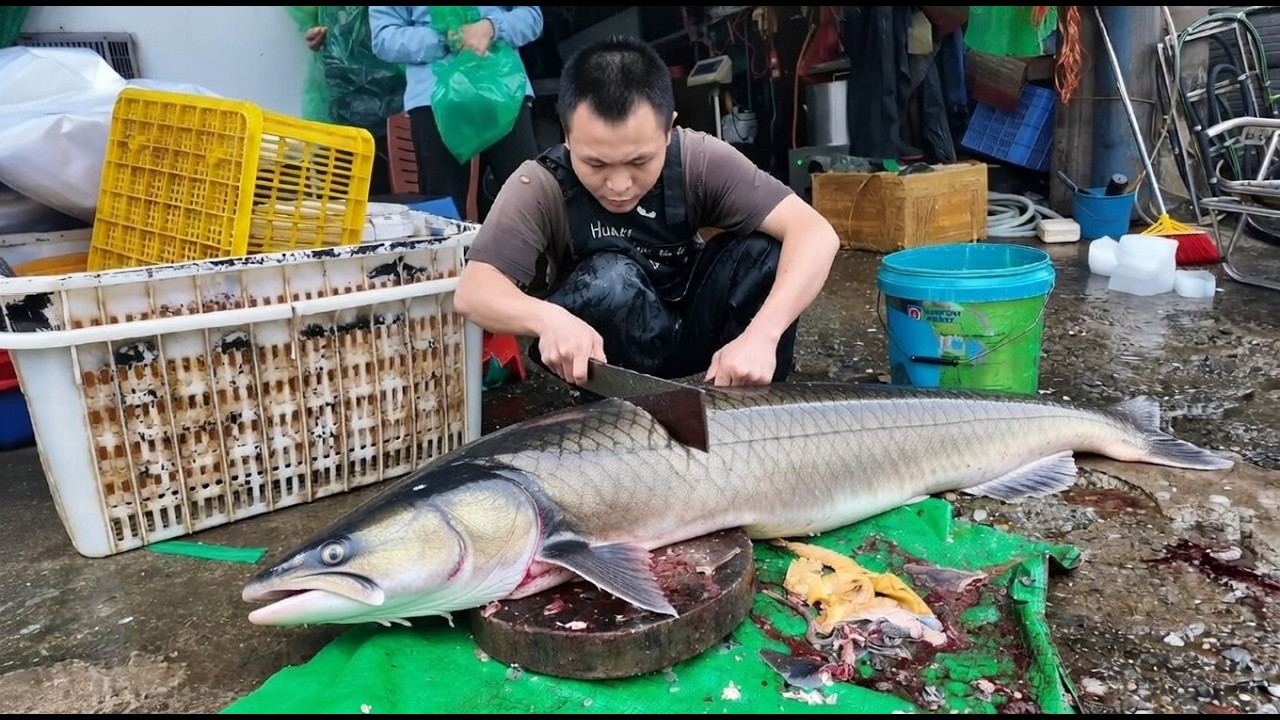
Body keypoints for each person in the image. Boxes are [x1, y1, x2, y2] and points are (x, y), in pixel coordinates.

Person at [453, 34, 842, 388]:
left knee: (765, 252)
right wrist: (546, 318)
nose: (619, 185)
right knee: (608, 279)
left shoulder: (700, 159)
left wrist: (763, 335)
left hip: (693, 329)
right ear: (567, 136)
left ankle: (748, 398)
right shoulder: (538, 184)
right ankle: (617, 416)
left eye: (639, 162)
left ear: (669, 130)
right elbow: (475, 291)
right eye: (596, 165)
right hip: (608, 353)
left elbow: (815, 233)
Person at [368, 6, 543, 220]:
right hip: (434, 98)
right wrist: (442, 38)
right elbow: (384, 37)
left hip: (504, 91)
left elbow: (532, 16)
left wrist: (491, 27)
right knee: (443, 214)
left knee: (529, 199)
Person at [295, 7, 406, 197]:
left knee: (388, 183)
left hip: (394, 94)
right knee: (348, 186)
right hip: (342, 93)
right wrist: (315, 28)